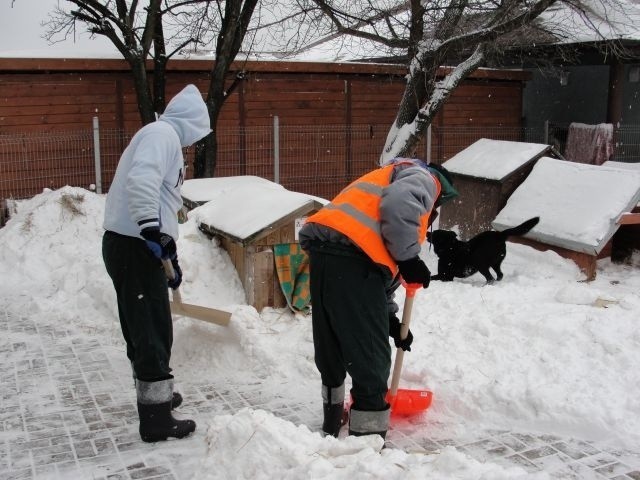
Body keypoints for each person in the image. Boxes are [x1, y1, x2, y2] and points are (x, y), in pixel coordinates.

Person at [299, 157, 458, 439]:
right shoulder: (424, 177)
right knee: (370, 358)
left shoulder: (384, 178)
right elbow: (398, 207)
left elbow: (379, 279)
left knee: (331, 346)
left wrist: (389, 320)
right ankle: (366, 444)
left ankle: (332, 422)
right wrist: (409, 258)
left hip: (327, 256)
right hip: (353, 261)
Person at [102, 84, 211, 443]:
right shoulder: (162, 135)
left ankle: (157, 397)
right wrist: (151, 229)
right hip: (134, 245)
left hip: (138, 245)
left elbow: (164, 199)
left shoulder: (161, 136)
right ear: (192, 122)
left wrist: (169, 248)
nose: (195, 140)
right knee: (150, 330)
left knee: (149, 325)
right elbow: (143, 180)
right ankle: (156, 420)